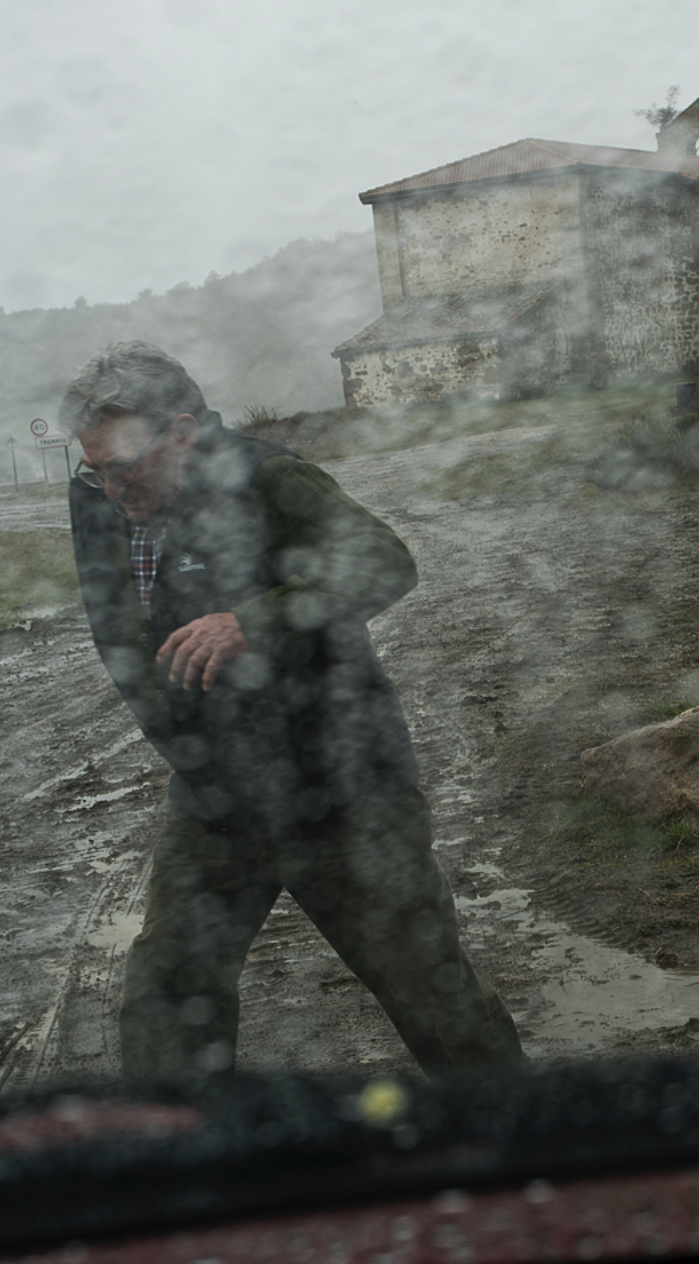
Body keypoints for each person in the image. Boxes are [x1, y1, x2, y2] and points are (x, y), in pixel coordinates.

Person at [59, 341, 525, 1076]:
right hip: (215, 798)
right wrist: (190, 755)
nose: (111, 490)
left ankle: (515, 1126)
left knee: (430, 992)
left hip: (341, 789)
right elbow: (119, 636)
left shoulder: (268, 478)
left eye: (123, 468)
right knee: (169, 995)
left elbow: (383, 559)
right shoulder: (96, 498)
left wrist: (255, 620)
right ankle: (178, 1139)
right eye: (95, 470)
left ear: (182, 432)